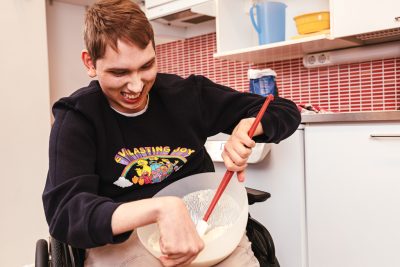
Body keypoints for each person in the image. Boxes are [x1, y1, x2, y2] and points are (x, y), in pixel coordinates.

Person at [42, 0, 301, 266]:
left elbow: (284, 110)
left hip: (204, 225)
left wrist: (249, 125)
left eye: (146, 66)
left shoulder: (187, 96)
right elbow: (65, 212)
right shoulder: (78, 118)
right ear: (90, 63)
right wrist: (160, 209)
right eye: (120, 72)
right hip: (124, 241)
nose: (136, 85)